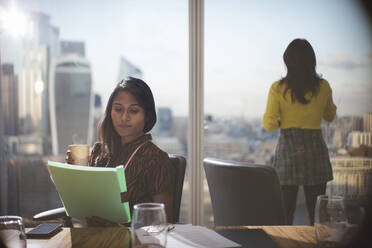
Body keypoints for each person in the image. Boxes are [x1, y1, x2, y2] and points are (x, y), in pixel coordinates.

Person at [67, 77, 174, 223]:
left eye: (134, 111)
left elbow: (165, 221)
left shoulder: (156, 159)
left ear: (147, 116)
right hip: (91, 235)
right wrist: (72, 173)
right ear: (110, 112)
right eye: (118, 109)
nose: (124, 117)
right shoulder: (99, 152)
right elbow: (80, 201)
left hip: (133, 241)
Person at [263, 38, 337, 225]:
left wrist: (283, 116)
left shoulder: (277, 89)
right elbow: (330, 115)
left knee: (285, 214)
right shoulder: (324, 87)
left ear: (287, 61)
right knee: (318, 214)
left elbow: (269, 125)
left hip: (289, 152)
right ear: (312, 61)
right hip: (315, 152)